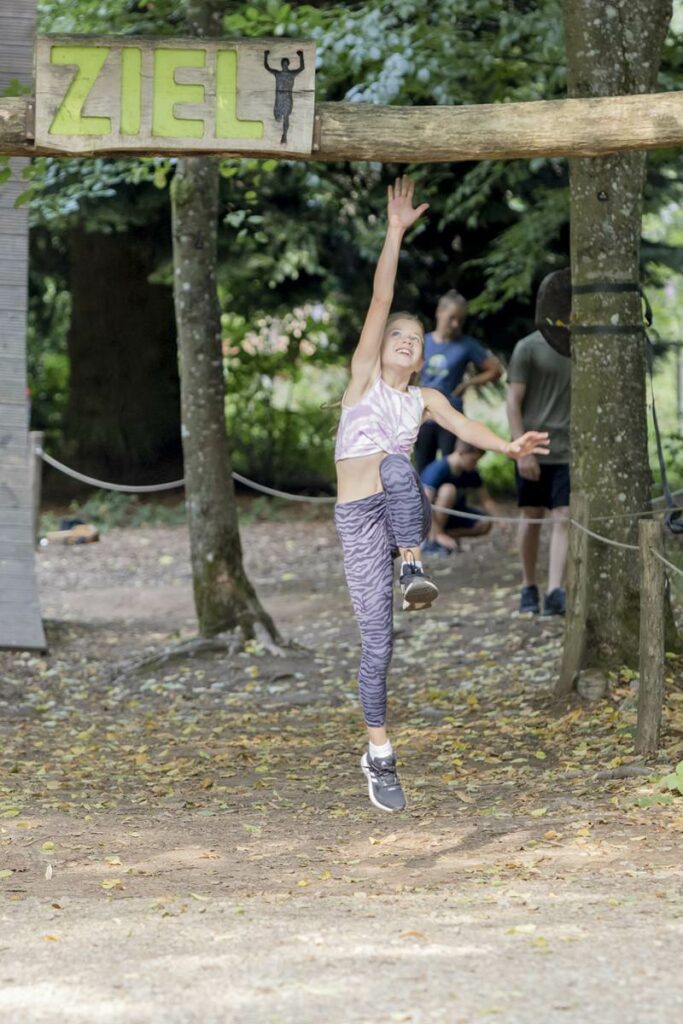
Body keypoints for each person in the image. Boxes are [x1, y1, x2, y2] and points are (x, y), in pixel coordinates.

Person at [334, 176, 549, 813]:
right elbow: (381, 300)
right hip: (356, 519)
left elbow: (464, 425)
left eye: (415, 342)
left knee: (402, 471)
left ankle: (414, 566)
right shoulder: (364, 382)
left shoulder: (423, 398)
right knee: (378, 646)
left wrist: (508, 447)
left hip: (400, 510)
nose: (406, 343)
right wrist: (395, 232)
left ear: (423, 356)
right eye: (399, 338)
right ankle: (379, 754)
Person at [506, 313, 571, 617]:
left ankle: (555, 591)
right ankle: (529, 586)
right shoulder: (527, 347)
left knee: (563, 516)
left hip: (568, 452)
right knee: (531, 517)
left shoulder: (581, 346)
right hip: (533, 448)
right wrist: (522, 451)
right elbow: (512, 401)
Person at [415, 290, 503, 472]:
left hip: (451, 416)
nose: (455, 324)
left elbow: (495, 370)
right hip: (423, 417)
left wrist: (467, 384)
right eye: (452, 318)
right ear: (439, 312)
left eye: (460, 320)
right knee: (421, 470)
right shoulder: (423, 342)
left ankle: (449, 499)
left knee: (451, 467)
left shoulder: (467, 345)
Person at [420, 441, 500, 554]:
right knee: (448, 490)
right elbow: (424, 504)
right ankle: (432, 539)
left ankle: (444, 538)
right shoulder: (438, 469)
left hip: (453, 514)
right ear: (461, 453)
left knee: (484, 523)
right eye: (473, 460)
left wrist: (499, 520)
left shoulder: (470, 472)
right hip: (427, 519)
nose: (475, 464)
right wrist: (438, 533)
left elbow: (486, 499)